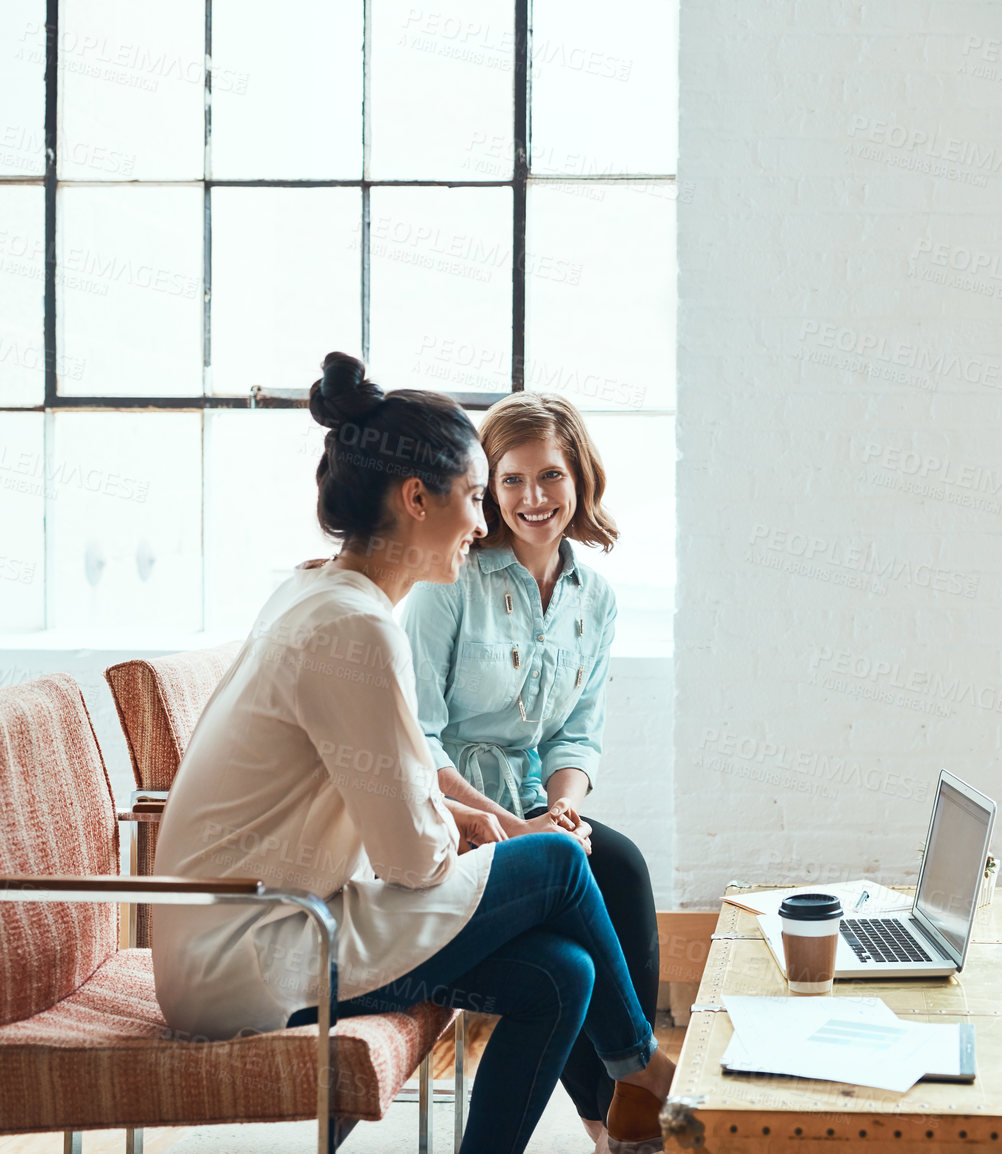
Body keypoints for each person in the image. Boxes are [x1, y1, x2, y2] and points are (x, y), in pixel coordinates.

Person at [150, 353, 674, 1154]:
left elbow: (386, 800)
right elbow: (411, 860)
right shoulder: (355, 627)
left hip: (275, 923)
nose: (480, 520)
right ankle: (642, 1068)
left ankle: (625, 1074)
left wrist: (461, 817)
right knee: (564, 864)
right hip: (258, 952)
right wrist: (483, 830)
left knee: (560, 974)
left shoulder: (327, 596)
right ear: (416, 498)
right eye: (474, 496)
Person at [402, 391, 659, 1148]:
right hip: (455, 813)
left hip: (533, 808)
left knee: (620, 867)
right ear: (485, 488)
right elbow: (418, 741)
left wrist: (564, 811)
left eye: (549, 477)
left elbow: (577, 735)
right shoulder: (449, 582)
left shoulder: (596, 597)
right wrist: (518, 828)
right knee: (585, 902)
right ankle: (616, 1112)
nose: (531, 499)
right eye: (509, 481)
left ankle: (616, 1116)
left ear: (578, 477)